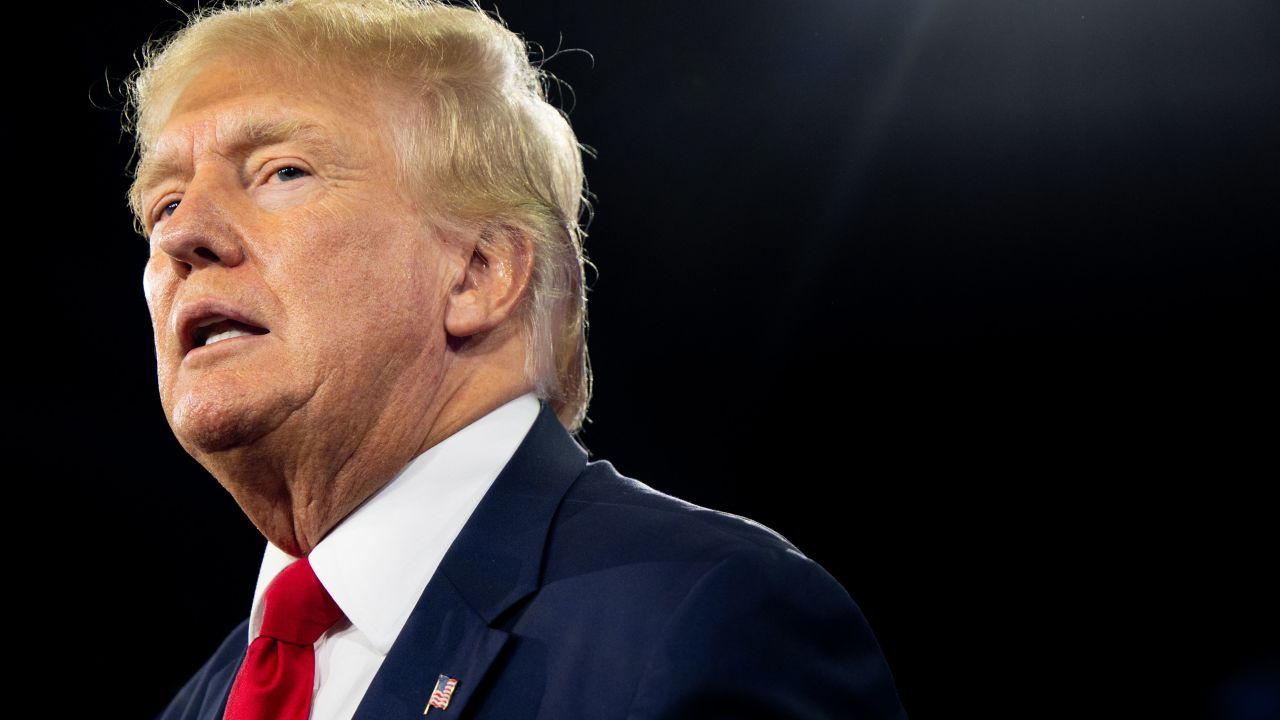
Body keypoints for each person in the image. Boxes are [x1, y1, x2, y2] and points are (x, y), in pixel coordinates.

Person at [126, 1, 908, 718]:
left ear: (479, 273)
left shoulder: (706, 617)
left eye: (281, 172)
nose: (182, 233)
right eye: (161, 203)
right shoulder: (202, 703)